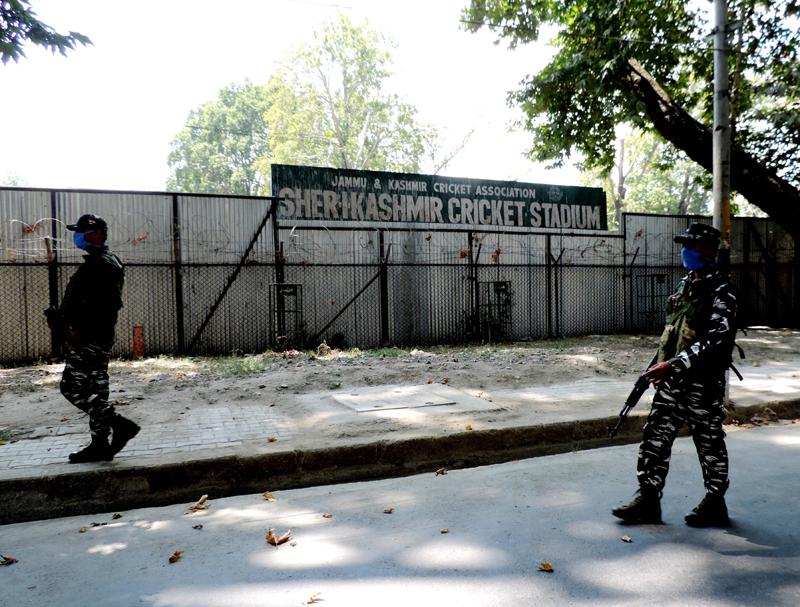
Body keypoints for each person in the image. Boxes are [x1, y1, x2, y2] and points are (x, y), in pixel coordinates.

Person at [612, 222, 738, 527]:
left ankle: (715, 502)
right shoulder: (685, 285)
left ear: (709, 249)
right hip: (672, 380)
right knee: (655, 437)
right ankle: (648, 499)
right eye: (685, 245)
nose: (686, 251)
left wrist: (673, 364)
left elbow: (715, 339)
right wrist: (658, 364)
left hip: (702, 383)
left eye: (692, 245)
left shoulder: (723, 290)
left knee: (708, 442)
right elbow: (675, 333)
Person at [47, 214, 140, 463]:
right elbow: (87, 302)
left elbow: (108, 306)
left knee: (72, 388)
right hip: (94, 336)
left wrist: (83, 332)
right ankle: (100, 445)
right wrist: (62, 320)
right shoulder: (98, 262)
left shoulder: (103, 264)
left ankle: (120, 424)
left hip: (92, 338)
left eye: (82, 231)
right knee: (96, 390)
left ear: (97, 233)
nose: (77, 236)